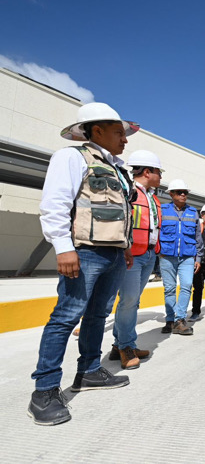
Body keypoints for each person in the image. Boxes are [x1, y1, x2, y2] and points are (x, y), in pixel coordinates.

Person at [29, 102, 137, 426]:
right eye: (119, 133)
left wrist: (126, 247)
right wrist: (63, 248)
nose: (125, 140)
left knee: (97, 315)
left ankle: (89, 370)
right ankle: (44, 391)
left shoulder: (118, 168)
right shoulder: (71, 157)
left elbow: (120, 212)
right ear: (97, 130)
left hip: (115, 254)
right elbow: (55, 204)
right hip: (84, 252)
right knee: (66, 317)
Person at [109, 150, 163, 370]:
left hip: (149, 254)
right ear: (148, 172)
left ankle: (118, 344)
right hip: (131, 255)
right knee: (129, 301)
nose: (160, 176)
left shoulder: (152, 197)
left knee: (132, 302)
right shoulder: (128, 192)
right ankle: (126, 347)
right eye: (159, 172)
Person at [159, 179, 204, 336]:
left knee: (186, 286)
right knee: (169, 289)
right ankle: (170, 320)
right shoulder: (162, 210)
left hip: (187, 257)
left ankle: (180, 320)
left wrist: (198, 258)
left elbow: (198, 236)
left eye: (185, 192)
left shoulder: (193, 212)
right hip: (167, 255)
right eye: (179, 192)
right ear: (171, 194)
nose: (183, 194)